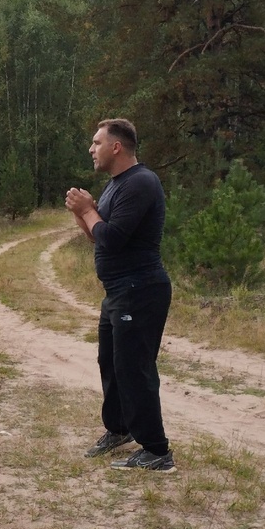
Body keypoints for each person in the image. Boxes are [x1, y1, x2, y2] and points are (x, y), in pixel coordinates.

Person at [65, 118, 175, 474]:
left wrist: (86, 209)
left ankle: (157, 451)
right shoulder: (116, 185)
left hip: (140, 289)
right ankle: (119, 428)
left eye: (97, 143)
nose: (91, 149)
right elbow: (98, 236)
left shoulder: (141, 182)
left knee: (135, 368)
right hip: (117, 291)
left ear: (116, 147)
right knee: (111, 363)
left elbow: (113, 238)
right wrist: (83, 214)